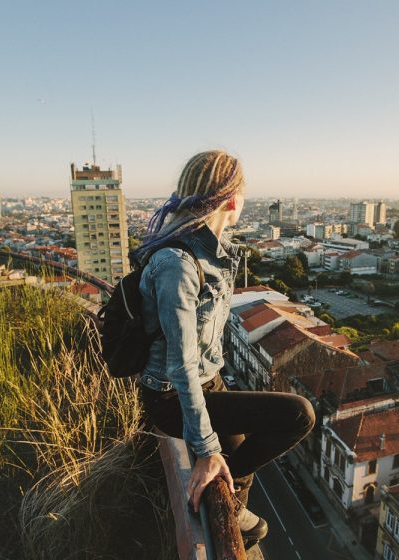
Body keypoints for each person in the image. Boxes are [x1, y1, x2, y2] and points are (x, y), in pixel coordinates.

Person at [131, 150, 316, 547]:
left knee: (244, 470)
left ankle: (230, 503)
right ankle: (225, 502)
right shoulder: (177, 264)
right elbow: (180, 366)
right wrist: (205, 449)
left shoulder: (207, 250)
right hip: (171, 397)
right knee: (298, 415)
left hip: (208, 382)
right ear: (233, 200)